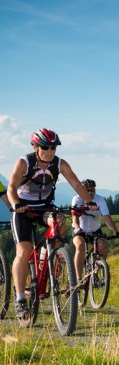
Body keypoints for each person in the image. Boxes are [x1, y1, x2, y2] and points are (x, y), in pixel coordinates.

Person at [7, 128, 97, 319]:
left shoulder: (59, 164)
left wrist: (87, 201)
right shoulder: (25, 162)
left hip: (44, 207)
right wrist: (16, 204)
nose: (50, 151)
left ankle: (52, 258)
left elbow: (75, 183)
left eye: (53, 147)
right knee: (23, 251)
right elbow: (11, 187)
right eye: (45, 147)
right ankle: (20, 297)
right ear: (35, 146)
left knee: (59, 221)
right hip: (23, 209)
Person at [71, 179, 119, 285]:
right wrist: (77, 228)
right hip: (80, 229)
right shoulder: (77, 199)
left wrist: (116, 231)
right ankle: (78, 279)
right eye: (87, 190)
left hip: (95, 229)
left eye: (92, 189)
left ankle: (95, 271)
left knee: (103, 246)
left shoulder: (100, 200)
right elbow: (75, 218)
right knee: (80, 245)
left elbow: (106, 218)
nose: (90, 192)